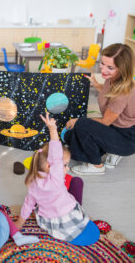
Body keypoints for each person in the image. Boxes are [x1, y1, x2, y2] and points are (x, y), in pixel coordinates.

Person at [15, 112, 91, 244]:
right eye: (65, 165)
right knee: (77, 182)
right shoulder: (56, 179)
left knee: (65, 182)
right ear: (51, 166)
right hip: (67, 218)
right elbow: (55, 154)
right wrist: (53, 129)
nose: (67, 168)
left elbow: (28, 203)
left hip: (48, 221)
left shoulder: (32, 182)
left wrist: (20, 222)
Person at [65, 43, 135, 175]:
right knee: (70, 137)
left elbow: (105, 122)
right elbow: (108, 91)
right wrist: (96, 85)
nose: (103, 70)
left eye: (110, 67)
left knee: (82, 124)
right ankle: (112, 151)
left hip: (126, 138)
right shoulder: (112, 79)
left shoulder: (122, 93)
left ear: (122, 69)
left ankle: (97, 166)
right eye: (102, 63)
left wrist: (78, 120)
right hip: (115, 128)